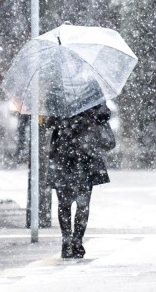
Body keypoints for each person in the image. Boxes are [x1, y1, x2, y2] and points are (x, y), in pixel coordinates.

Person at [48, 103, 115, 258]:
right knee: (82, 203)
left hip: (63, 154)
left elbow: (50, 121)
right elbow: (104, 114)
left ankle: (67, 241)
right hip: (85, 154)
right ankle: (77, 241)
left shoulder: (58, 91)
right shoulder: (91, 89)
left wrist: (65, 122)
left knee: (64, 203)